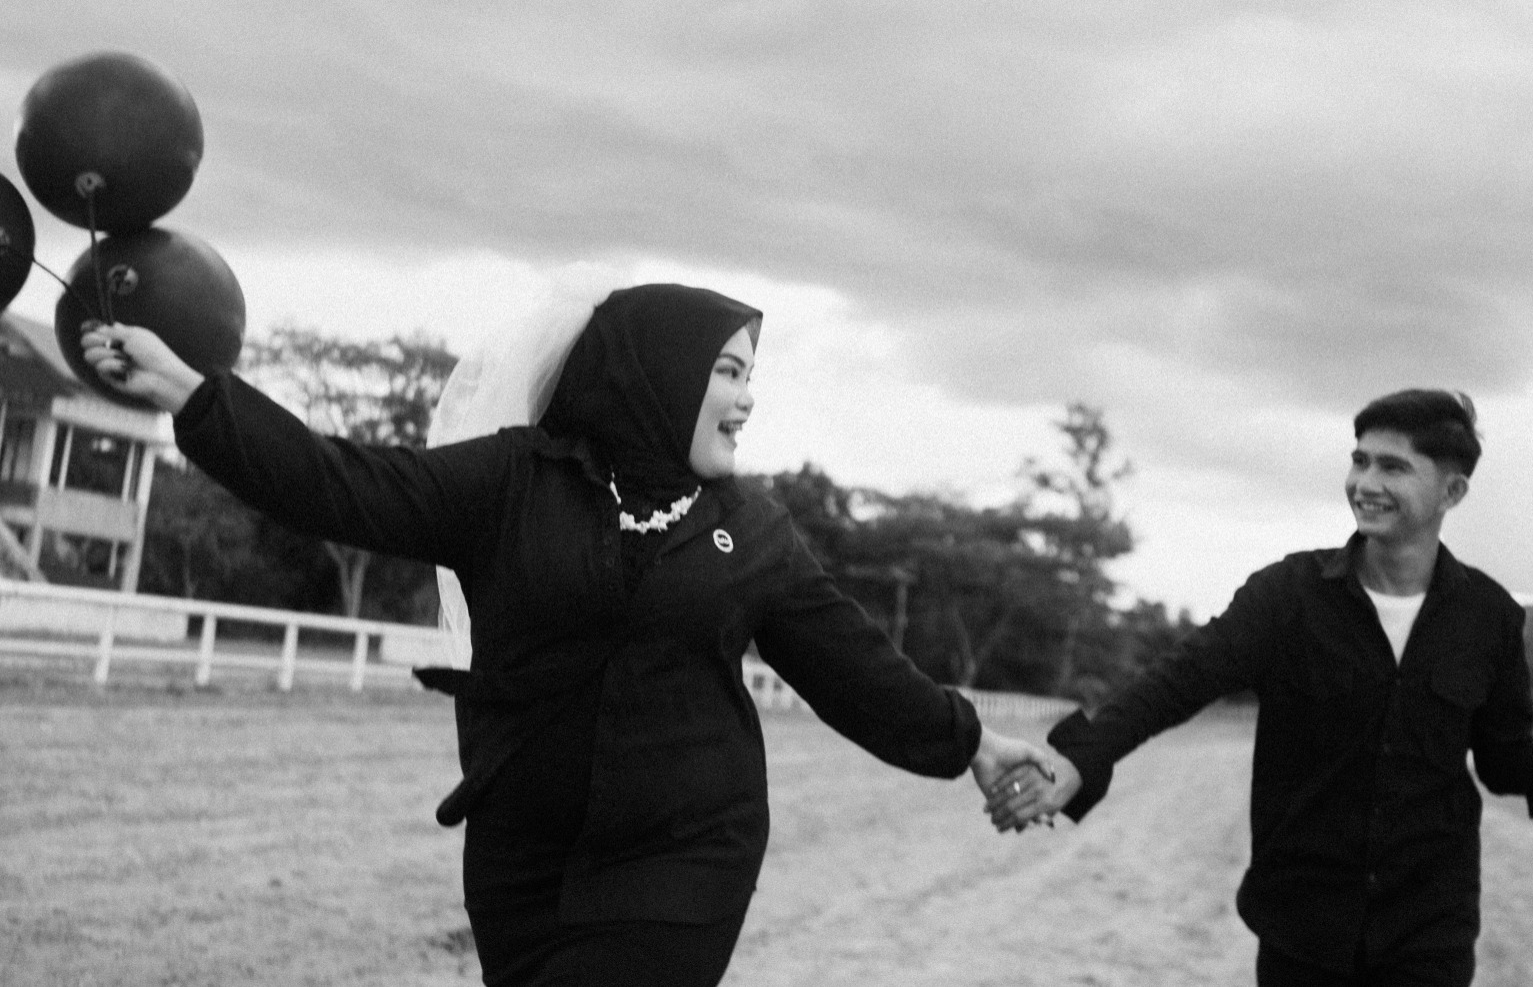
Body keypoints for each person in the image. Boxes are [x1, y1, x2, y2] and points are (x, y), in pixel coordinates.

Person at [80, 283, 1053, 987]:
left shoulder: (751, 532)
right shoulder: (510, 483)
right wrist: (190, 393)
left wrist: (969, 740)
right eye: (726, 371)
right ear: (656, 373)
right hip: (523, 860)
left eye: (750, 375)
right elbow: (338, 483)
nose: (747, 398)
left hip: (685, 854)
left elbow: (853, 667)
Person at [987, 389, 1533, 987]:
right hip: (1303, 932)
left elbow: (1504, 761)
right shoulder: (1289, 597)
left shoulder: (1489, 617)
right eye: (1359, 460)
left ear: (1452, 491)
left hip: (1428, 934)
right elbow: (1175, 684)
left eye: (1392, 467)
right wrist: (1077, 762)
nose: (1364, 483)